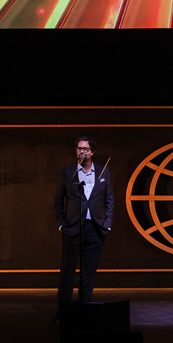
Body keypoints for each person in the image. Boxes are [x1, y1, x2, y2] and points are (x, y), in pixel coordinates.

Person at [53, 135, 115, 317]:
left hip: (95, 228)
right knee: (67, 271)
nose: (82, 152)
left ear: (92, 152)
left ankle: (84, 309)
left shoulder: (103, 171)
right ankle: (62, 311)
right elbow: (58, 200)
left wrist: (107, 224)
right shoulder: (68, 172)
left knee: (88, 272)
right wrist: (61, 224)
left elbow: (110, 199)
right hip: (72, 228)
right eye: (79, 149)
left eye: (86, 149)